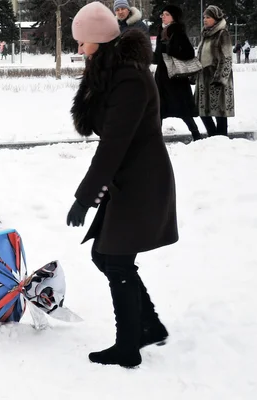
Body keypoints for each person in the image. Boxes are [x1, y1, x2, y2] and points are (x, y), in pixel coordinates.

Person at [68, 1, 178, 368]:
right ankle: (148, 326)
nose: (79, 49)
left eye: (82, 42)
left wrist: (84, 199)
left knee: (114, 259)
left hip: (141, 179)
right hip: (127, 177)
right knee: (107, 256)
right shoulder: (109, 69)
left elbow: (114, 144)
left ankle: (129, 345)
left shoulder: (129, 77)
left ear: (99, 40)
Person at [153, 5, 201, 141]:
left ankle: (196, 135)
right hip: (162, 77)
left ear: (174, 16)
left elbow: (189, 53)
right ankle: (156, 139)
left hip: (176, 78)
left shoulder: (178, 32)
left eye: (167, 14)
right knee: (159, 109)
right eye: (163, 14)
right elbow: (157, 57)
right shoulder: (161, 32)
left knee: (182, 109)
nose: (163, 16)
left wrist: (171, 51)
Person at [195, 5, 235, 137]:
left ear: (216, 19)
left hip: (217, 81)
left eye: (208, 17)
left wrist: (219, 79)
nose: (205, 20)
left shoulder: (222, 34)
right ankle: (213, 136)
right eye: (204, 17)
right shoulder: (205, 35)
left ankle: (221, 138)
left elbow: (227, 58)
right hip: (204, 80)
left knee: (220, 113)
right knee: (202, 112)